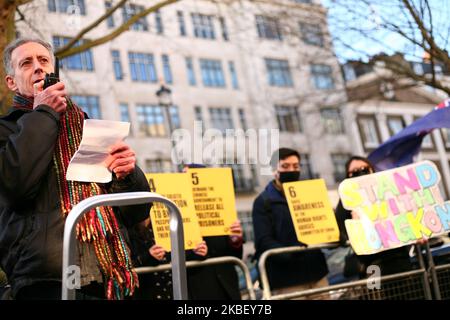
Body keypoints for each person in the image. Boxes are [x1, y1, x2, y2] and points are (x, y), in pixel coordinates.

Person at [0, 38, 150, 300]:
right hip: (47, 278)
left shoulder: (85, 126)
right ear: (11, 82)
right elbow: (16, 186)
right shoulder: (6, 130)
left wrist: (128, 175)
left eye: (44, 60)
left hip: (107, 276)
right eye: (26, 63)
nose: (38, 68)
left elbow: (135, 213)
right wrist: (45, 112)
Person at [252, 148, 329, 296]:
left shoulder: (311, 195)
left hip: (317, 276)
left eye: (296, 166)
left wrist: (334, 235)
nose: (292, 170)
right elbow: (263, 240)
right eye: (285, 166)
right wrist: (292, 251)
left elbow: (324, 225)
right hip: (287, 281)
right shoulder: (263, 201)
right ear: (275, 170)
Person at [335, 155, 413, 279]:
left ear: (372, 170)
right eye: (354, 172)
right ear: (347, 176)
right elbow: (339, 229)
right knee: (375, 294)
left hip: (399, 258)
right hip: (371, 265)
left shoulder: (388, 192)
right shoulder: (345, 202)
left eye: (365, 169)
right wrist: (356, 226)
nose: (360, 173)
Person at [182, 163, 244, 300]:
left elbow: (235, 256)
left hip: (228, 288)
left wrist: (236, 241)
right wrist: (194, 254)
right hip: (198, 290)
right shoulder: (176, 216)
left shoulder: (222, 211)